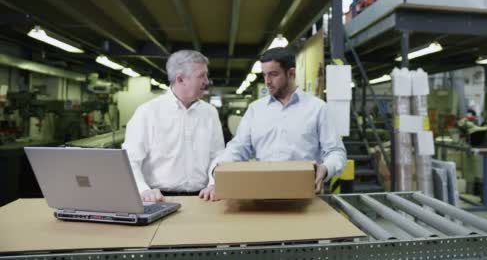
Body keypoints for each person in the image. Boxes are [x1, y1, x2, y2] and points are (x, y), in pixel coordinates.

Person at [201, 47, 346, 201]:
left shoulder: (317, 108)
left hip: (304, 197)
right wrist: (217, 180)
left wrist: (325, 168)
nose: (267, 81)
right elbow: (238, 148)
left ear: (291, 73)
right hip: (262, 194)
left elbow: (336, 152)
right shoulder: (256, 110)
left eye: (273, 74)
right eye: (264, 75)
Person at [122, 50, 224, 202]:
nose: (206, 81)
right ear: (180, 79)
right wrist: (143, 190)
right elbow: (130, 159)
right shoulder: (148, 112)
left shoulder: (210, 113)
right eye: (201, 76)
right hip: (159, 198)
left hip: (202, 198)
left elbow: (217, 155)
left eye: (206, 75)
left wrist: (214, 183)